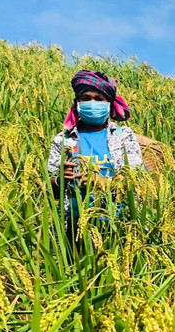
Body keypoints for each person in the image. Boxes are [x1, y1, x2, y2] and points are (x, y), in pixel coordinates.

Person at [47, 70, 144, 241]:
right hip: (74, 232)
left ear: (109, 103)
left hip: (119, 228)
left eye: (99, 99)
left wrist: (104, 183)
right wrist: (60, 179)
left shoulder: (123, 136)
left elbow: (137, 180)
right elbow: (48, 188)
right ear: (76, 103)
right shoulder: (64, 139)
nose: (92, 103)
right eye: (86, 98)